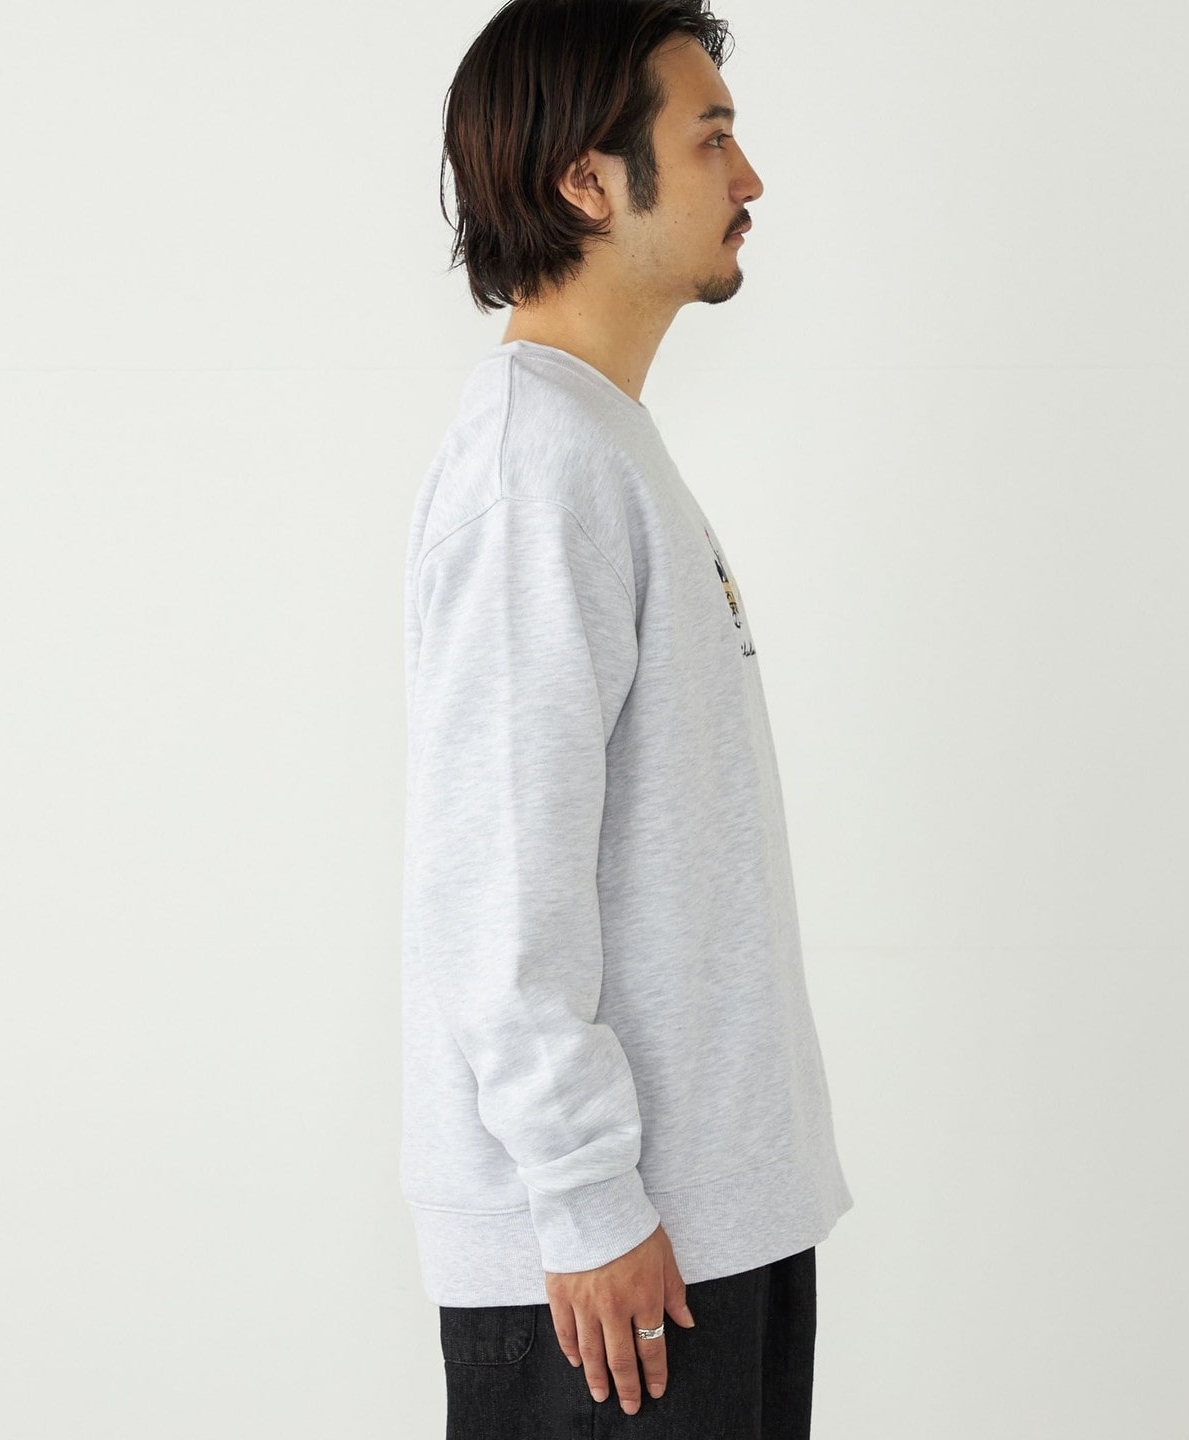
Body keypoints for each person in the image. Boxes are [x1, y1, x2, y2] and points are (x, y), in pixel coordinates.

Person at [400, 2, 854, 1433]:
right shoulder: (533, 469)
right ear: (587, 182)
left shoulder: (598, 445)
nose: (750, 178)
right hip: (608, 1272)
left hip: (700, 1230)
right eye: (710, 138)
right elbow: (495, 887)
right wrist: (588, 1194)